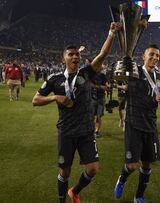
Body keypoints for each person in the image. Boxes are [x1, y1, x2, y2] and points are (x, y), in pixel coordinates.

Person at [32, 22, 121, 203]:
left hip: (86, 131)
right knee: (64, 171)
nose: (75, 57)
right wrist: (55, 98)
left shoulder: (86, 74)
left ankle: (75, 190)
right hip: (66, 131)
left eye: (77, 54)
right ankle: (62, 200)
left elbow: (102, 55)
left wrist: (111, 33)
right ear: (63, 59)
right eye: (70, 54)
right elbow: (36, 100)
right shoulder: (54, 79)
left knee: (93, 169)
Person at [114, 44, 160, 203]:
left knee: (147, 165)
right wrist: (124, 65)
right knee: (131, 165)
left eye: (157, 56)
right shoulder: (135, 72)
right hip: (133, 123)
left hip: (151, 124)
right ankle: (122, 180)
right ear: (144, 56)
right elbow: (117, 76)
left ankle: (138, 196)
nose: (154, 58)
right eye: (151, 54)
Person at [91, 65, 109, 138]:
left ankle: (97, 131)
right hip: (92, 98)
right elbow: (89, 85)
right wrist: (100, 87)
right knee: (91, 116)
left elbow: (106, 85)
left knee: (99, 116)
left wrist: (107, 87)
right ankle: (90, 130)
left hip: (101, 98)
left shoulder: (103, 76)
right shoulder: (91, 76)